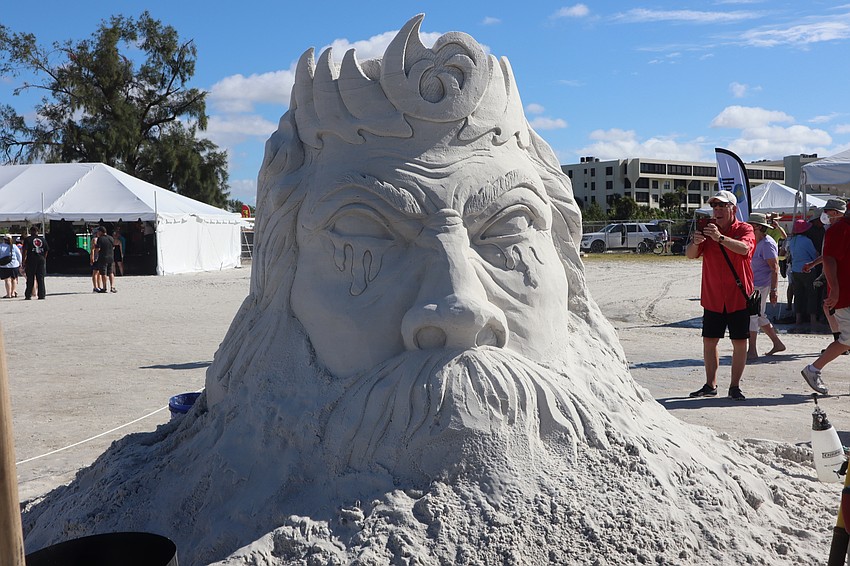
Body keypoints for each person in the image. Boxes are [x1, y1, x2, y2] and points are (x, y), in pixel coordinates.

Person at [686, 190, 755, 401]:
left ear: (733, 209)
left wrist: (720, 238)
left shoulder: (744, 228)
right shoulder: (707, 230)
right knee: (709, 341)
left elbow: (745, 249)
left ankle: (735, 386)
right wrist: (696, 242)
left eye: (722, 206)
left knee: (739, 343)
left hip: (738, 298)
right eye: (714, 206)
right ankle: (710, 385)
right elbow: (690, 255)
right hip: (713, 297)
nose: (717, 210)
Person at [801, 199, 850, 395]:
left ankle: (813, 369)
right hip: (844, 294)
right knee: (847, 340)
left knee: (847, 339)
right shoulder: (839, 229)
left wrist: (813, 264)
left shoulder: (842, 229)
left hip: (844, 293)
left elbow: (831, 255)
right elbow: (830, 258)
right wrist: (835, 290)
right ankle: (813, 369)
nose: (827, 215)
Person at [746, 213, 785, 359]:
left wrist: (774, 290)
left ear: (757, 227)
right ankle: (777, 343)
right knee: (760, 316)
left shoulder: (767, 243)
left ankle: (752, 350)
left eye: (750, 225)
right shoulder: (754, 241)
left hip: (760, 286)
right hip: (753, 284)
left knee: (753, 316)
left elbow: (774, 268)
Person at [786, 219, 819, 325]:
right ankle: (813, 319)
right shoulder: (807, 241)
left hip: (795, 270)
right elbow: (814, 255)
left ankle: (798, 318)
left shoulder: (792, 241)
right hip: (808, 269)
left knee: (798, 294)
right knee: (811, 294)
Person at [22, 226, 49, 300]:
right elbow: (46, 250)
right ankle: (41, 295)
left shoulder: (28, 239)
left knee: (30, 278)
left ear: (31, 231)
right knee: (40, 278)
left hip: (31, 259)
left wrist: (23, 260)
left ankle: (28, 295)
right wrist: (43, 257)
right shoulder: (42, 239)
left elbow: (25, 251)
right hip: (41, 259)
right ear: (37, 231)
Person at [92, 226, 116, 293]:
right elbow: (113, 247)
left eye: (98, 232)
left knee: (103, 273)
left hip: (103, 258)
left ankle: (104, 287)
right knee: (111, 272)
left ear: (101, 232)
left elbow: (98, 249)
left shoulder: (100, 239)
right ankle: (112, 287)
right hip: (111, 257)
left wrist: (95, 248)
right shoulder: (111, 238)